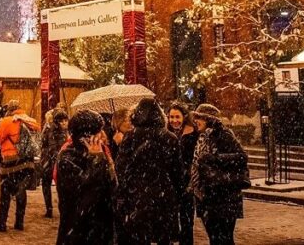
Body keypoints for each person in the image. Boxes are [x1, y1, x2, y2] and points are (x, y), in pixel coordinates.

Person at [115, 98, 183, 245]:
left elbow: (121, 169)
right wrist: (176, 193)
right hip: (163, 195)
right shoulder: (170, 138)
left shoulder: (130, 137)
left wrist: (126, 193)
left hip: (137, 196)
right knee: (163, 238)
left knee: (139, 237)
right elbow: (177, 171)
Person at [189, 104, 249, 245]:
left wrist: (214, 158)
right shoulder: (202, 137)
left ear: (209, 120)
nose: (196, 121)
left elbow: (242, 157)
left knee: (224, 238)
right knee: (214, 238)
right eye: (196, 117)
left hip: (224, 196)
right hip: (208, 195)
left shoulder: (223, 134)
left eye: (200, 118)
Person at [55, 109, 116, 244]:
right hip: (79, 230)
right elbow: (87, 192)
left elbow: (113, 187)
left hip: (101, 230)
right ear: (86, 136)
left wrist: (107, 162)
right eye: (98, 131)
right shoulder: (67, 158)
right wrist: (96, 160)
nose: (102, 135)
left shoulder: (101, 152)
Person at [0, 100, 41, 232]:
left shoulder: (8, 121)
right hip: (28, 161)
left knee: (5, 190)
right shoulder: (30, 121)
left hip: (12, 160)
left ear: (9, 110)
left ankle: (1, 222)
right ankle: (19, 222)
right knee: (20, 190)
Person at [168, 102, 199, 245]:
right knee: (170, 221)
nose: (174, 120)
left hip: (187, 182)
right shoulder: (166, 133)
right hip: (171, 182)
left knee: (187, 221)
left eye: (177, 117)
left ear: (184, 116)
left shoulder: (193, 133)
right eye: (171, 117)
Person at [40, 110, 69, 218]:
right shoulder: (55, 131)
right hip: (52, 161)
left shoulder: (52, 129)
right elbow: (53, 147)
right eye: (62, 121)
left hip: (50, 161)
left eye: (66, 120)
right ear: (57, 122)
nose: (65, 123)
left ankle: (50, 209)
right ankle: (51, 209)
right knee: (53, 185)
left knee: (52, 185)